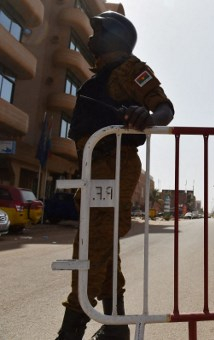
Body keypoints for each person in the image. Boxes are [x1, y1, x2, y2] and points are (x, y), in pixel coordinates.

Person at [56, 11, 174, 340]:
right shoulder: (97, 78)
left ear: (113, 36)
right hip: (95, 168)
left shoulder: (131, 70)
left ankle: (71, 329)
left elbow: (164, 107)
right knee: (103, 243)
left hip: (115, 163)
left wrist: (147, 116)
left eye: (96, 31)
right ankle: (117, 326)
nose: (90, 38)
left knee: (92, 244)